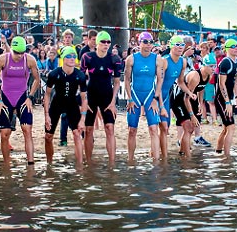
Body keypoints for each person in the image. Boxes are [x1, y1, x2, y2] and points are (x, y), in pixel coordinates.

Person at [0, 34, 41, 164]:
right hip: (6, 97)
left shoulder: (29, 60)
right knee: (4, 133)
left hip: (22, 97)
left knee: (27, 130)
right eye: (17, 53)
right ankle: (6, 165)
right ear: (11, 49)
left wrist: (30, 97)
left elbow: (37, 79)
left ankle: (31, 163)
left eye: (22, 53)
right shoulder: (2, 59)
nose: (20, 56)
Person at [79, 30, 121, 164]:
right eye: (103, 41)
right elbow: (81, 80)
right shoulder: (88, 57)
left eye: (108, 42)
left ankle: (112, 164)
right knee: (89, 129)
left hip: (107, 97)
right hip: (91, 96)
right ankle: (89, 162)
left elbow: (116, 82)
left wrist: (113, 102)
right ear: (97, 43)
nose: (106, 44)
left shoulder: (114, 59)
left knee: (109, 128)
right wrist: (84, 100)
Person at [43, 46, 89, 164]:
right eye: (69, 56)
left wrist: (83, 119)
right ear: (63, 58)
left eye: (74, 56)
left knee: (77, 133)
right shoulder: (54, 74)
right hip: (56, 103)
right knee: (48, 136)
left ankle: (80, 167)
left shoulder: (80, 75)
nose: (72, 59)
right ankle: (49, 164)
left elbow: (84, 99)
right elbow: (47, 95)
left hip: (71, 104)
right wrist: (46, 115)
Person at [123, 31, 163, 161]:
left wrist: (155, 99)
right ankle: (130, 160)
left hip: (150, 96)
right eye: (145, 42)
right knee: (132, 130)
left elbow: (160, 80)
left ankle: (156, 162)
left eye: (150, 42)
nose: (148, 45)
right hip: (135, 95)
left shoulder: (157, 59)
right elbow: (127, 80)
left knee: (153, 129)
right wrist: (129, 99)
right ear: (139, 43)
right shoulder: (131, 59)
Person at [155, 34, 191, 160]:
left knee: (166, 128)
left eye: (182, 45)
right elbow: (158, 84)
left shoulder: (183, 62)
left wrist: (189, 92)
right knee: (162, 127)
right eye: (177, 44)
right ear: (171, 46)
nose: (180, 47)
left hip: (166, 97)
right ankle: (163, 158)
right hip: (157, 96)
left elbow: (180, 82)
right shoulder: (165, 62)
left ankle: (161, 155)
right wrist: (160, 104)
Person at [214, 38, 237, 156]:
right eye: (233, 46)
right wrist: (227, 103)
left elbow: (235, 80)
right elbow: (221, 84)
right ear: (227, 49)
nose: (236, 48)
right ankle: (227, 158)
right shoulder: (226, 62)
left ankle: (218, 152)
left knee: (226, 128)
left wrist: (236, 96)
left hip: (229, 97)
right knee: (231, 127)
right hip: (221, 99)